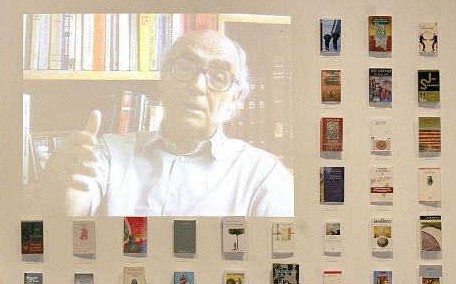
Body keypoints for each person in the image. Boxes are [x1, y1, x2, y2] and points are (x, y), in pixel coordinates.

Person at [45, 29, 293, 217]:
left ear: (235, 96)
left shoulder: (264, 175)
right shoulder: (110, 151)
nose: (197, 85)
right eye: (185, 68)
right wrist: (60, 177)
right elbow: (71, 209)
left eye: (218, 76)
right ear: (162, 79)